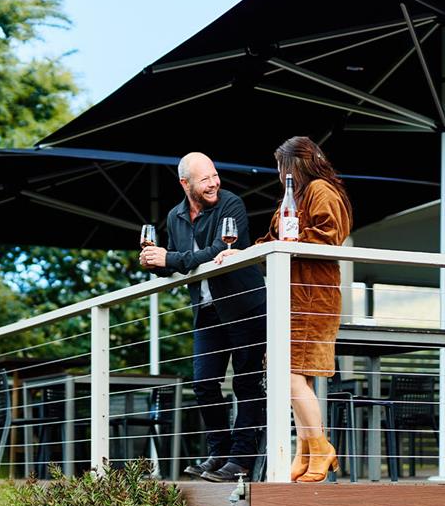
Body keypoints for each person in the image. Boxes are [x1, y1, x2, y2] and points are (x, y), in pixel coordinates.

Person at [215, 136, 352, 483]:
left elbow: (329, 236)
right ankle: (305, 451)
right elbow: (274, 239)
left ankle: (320, 448)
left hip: (311, 297)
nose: (278, 174)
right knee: (295, 376)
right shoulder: (297, 197)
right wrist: (241, 253)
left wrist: (284, 242)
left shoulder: (321, 190)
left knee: (289, 375)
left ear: (294, 165)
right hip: (292, 298)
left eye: (280, 166)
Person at [140, 152, 267, 482]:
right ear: (185, 184)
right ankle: (219, 452)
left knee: (246, 382)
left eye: (215, 175)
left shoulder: (231, 204)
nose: (214, 183)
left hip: (245, 305)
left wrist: (171, 258)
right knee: (203, 383)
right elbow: (179, 266)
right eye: (205, 179)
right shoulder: (174, 217)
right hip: (207, 311)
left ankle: (241, 459)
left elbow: (217, 252)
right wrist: (157, 263)